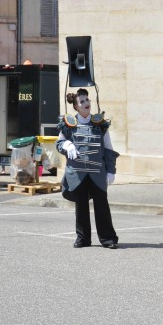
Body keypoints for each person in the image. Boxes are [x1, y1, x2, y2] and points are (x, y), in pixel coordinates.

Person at [57, 88, 119, 249]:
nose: (86, 104)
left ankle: (108, 238)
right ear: (76, 107)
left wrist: (111, 170)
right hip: (78, 173)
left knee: (102, 205)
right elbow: (59, 143)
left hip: (97, 173)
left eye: (87, 100)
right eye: (82, 101)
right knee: (81, 206)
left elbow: (109, 149)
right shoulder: (68, 124)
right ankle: (83, 238)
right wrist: (66, 144)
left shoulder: (100, 124)